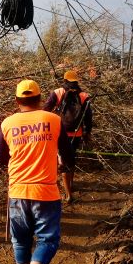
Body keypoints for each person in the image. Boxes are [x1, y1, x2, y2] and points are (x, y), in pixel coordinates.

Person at [0, 79, 65, 264]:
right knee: (48, 240)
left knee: (21, 242)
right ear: (39, 99)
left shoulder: (7, 123)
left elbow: (1, 158)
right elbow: (65, 151)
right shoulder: (54, 120)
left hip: (17, 192)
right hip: (45, 192)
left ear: (17, 101)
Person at [44, 70, 93, 205]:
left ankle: (68, 195)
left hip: (61, 133)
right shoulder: (84, 96)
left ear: (65, 80)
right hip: (76, 134)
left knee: (63, 162)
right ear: (77, 81)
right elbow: (88, 117)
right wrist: (87, 132)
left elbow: (45, 111)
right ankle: (70, 185)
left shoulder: (57, 92)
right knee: (71, 159)